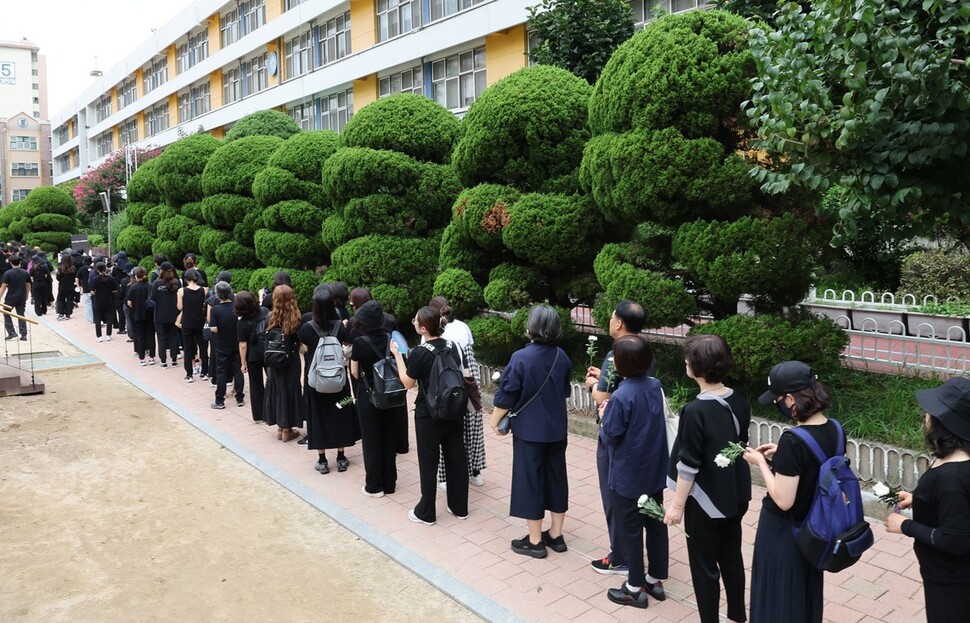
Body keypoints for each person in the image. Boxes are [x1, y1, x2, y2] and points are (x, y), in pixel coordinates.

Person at [664, 334, 751, 623]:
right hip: (736, 495)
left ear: (695, 367)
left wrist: (677, 506)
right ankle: (738, 615)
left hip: (706, 501)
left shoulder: (694, 410)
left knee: (704, 567)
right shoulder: (738, 400)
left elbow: (688, 465)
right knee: (731, 557)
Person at [741, 360, 834, 623]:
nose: (778, 405)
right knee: (803, 595)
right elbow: (816, 467)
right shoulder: (835, 429)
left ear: (791, 399)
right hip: (815, 529)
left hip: (784, 532)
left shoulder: (794, 440)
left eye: (778, 399)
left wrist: (761, 463)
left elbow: (783, 500)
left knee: (777, 598)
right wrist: (781, 458)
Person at [489, 305, 572, 557]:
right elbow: (566, 392)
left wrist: (495, 422)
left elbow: (507, 394)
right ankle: (556, 536)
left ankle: (535, 541)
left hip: (530, 431)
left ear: (531, 328)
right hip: (557, 428)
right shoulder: (562, 356)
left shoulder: (521, 358)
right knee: (557, 479)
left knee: (530, 482)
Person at [885, 377, 970, 623]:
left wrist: (904, 526)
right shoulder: (957, 460)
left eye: (930, 412)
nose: (926, 416)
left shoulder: (951, 478)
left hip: (952, 582)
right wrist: (921, 500)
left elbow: (956, 541)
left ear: (945, 423)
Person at [600, 335, 669, 608]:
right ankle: (654, 579)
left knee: (630, 530)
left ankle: (634, 586)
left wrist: (605, 416)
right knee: (655, 524)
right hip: (654, 470)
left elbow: (612, 435)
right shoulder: (655, 386)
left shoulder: (620, 395)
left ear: (620, 365)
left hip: (628, 475)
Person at [584, 299, 652, 574]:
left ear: (619, 323)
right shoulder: (643, 351)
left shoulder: (615, 355)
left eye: (612, 317)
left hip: (617, 436)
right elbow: (632, 383)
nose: (610, 321)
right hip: (641, 436)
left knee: (614, 497)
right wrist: (606, 377)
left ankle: (621, 555)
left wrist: (592, 385)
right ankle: (634, 556)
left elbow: (603, 395)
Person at [390, 306, 469, 526]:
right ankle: (459, 507)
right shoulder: (453, 346)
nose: (413, 322)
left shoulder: (420, 352)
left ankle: (427, 512)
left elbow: (408, 382)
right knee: (456, 458)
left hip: (429, 413)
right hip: (454, 409)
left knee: (429, 462)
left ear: (423, 328)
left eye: (416, 321)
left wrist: (397, 355)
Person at [300, 284, 360, 473]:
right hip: (339, 381)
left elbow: (303, 349)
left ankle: (323, 460)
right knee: (341, 411)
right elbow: (347, 345)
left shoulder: (308, 327)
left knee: (317, 416)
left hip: (315, 382)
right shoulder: (339, 326)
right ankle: (341, 457)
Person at [429, 296, 486, 489]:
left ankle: (445, 477)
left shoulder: (430, 331)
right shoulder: (463, 327)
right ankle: (475, 471)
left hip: (445, 382)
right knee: (473, 425)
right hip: (469, 380)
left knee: (446, 430)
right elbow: (470, 357)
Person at [351, 300, 404, 496]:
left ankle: (374, 486)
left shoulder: (360, 342)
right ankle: (390, 483)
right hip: (391, 395)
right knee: (389, 437)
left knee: (371, 440)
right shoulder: (391, 338)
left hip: (369, 395)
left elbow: (355, 372)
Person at [262, 284, 304, 441]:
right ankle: (288, 429)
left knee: (277, 388)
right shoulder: (296, 317)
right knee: (290, 389)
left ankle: (280, 427)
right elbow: (299, 342)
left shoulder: (270, 317)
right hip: (290, 359)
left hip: (273, 359)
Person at [208, 281, 245, 410]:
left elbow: (213, 328)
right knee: (238, 370)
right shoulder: (237, 308)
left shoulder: (215, 309)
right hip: (236, 342)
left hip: (222, 344)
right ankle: (240, 397)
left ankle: (220, 400)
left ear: (218, 295)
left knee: (221, 371)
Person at [236, 291, 268, 423]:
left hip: (253, 355)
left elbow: (243, 345)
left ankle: (259, 415)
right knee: (271, 380)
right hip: (267, 351)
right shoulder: (265, 312)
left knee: (255, 385)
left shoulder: (242, 322)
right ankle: (271, 411)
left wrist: (243, 363)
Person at [177, 269, 208, 383]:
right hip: (200, 321)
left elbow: (180, 307)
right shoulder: (204, 290)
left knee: (188, 348)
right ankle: (205, 372)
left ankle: (189, 374)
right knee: (203, 347)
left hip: (187, 322)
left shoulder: (181, 291)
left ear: (186, 279)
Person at [148, 262, 180, 368]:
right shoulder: (176, 283)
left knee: (161, 337)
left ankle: (163, 361)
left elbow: (152, 299)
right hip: (174, 314)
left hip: (160, 314)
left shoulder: (157, 283)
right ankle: (174, 359)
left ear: (161, 270)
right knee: (173, 336)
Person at [126, 266, 156, 365]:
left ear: (136, 276)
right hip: (150, 314)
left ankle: (142, 358)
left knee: (139, 336)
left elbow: (129, 303)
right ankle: (151, 357)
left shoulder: (133, 287)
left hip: (137, 314)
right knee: (151, 335)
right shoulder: (151, 286)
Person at [0, 255, 30, 340]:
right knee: (21, 315)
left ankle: (11, 332)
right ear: (19, 262)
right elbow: (27, 286)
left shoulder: (8, 273)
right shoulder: (25, 273)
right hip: (21, 297)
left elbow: (3, 287)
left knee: (6, 313)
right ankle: (23, 334)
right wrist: (27, 295)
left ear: (10, 263)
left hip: (10, 297)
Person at [90, 262, 117, 342]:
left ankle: (99, 336)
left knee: (97, 319)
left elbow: (92, 291)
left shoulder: (95, 279)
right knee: (109, 319)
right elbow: (115, 290)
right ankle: (108, 335)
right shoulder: (111, 279)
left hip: (98, 301)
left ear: (97, 269)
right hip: (109, 301)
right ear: (105, 269)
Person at [29, 251, 53, 317]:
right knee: (43, 297)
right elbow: (48, 275)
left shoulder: (32, 268)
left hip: (36, 284)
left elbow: (30, 277)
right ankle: (44, 310)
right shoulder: (44, 266)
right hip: (43, 283)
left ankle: (38, 312)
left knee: (37, 299)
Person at [54, 254, 76, 320]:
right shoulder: (73, 268)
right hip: (71, 287)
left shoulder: (60, 268)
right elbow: (75, 277)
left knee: (60, 300)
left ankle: (61, 314)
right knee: (70, 300)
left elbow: (58, 278)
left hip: (62, 287)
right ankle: (68, 314)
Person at [77, 256, 93, 323]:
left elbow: (77, 278)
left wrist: (79, 286)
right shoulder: (93, 269)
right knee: (93, 303)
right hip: (94, 288)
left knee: (87, 304)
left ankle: (90, 319)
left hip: (86, 289)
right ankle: (96, 318)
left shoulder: (81, 269)